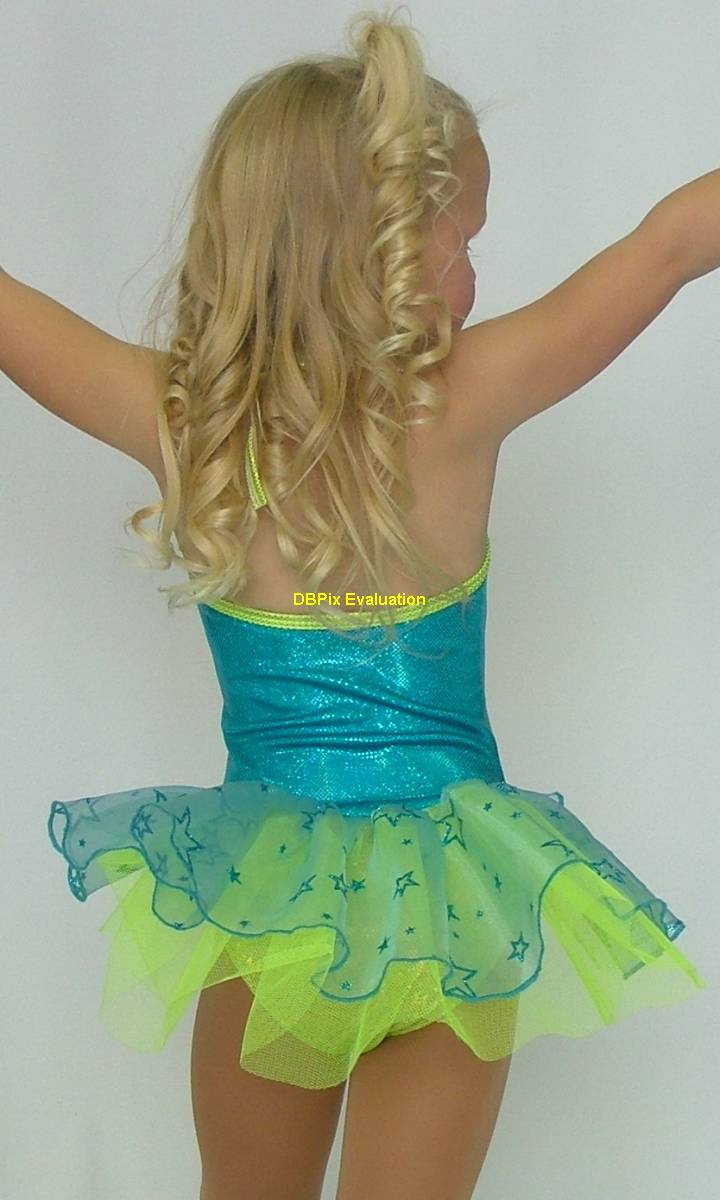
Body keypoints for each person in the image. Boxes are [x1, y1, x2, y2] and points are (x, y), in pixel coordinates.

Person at [3, 8, 716, 1200]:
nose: (476, 271)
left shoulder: (189, 427)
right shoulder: (466, 399)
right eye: (462, 235)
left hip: (269, 906)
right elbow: (676, 242)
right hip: (457, 908)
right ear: (381, 246)